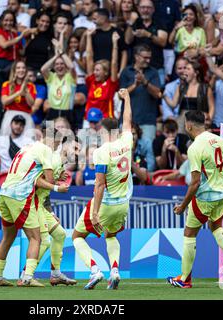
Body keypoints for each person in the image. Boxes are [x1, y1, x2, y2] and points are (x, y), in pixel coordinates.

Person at [168, 110, 223, 289]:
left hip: (206, 197)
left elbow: (194, 183)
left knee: (189, 233)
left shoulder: (194, 147)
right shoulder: (220, 140)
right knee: (216, 227)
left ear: (189, 125)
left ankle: (184, 279)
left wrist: (182, 207)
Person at [72, 88, 133, 290]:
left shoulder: (101, 151)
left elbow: (99, 184)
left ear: (103, 131)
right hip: (123, 203)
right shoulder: (127, 141)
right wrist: (127, 99)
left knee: (77, 236)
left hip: (106, 203)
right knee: (111, 235)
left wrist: (96, 212)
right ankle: (114, 271)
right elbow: (128, 120)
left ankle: (95, 271)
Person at [0, 128, 68, 287]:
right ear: (52, 140)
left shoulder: (27, 147)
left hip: (4, 193)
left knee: (7, 238)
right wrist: (57, 184)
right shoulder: (46, 150)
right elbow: (47, 180)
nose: (57, 147)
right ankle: (27, 277)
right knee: (36, 238)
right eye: (58, 143)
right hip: (20, 195)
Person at [120, 44, 162, 146]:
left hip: (147, 121)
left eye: (149, 58)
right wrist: (135, 85)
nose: (148, 60)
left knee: (148, 152)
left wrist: (145, 82)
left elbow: (158, 94)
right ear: (136, 57)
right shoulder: (126, 72)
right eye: (145, 57)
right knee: (124, 152)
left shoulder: (154, 72)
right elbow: (120, 95)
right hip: (127, 121)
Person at [163, 60, 215, 132]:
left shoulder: (205, 88)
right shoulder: (181, 87)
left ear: (196, 73)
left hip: (197, 120)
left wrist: (208, 120)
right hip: (182, 120)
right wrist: (164, 96)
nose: (184, 71)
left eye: (188, 69)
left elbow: (211, 107)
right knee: (182, 141)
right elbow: (173, 104)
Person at [125, 0, 168, 86]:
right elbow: (127, 40)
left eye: (148, 8)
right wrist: (130, 24)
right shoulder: (135, 22)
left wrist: (147, 34)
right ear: (138, 9)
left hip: (156, 67)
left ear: (153, 9)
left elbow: (163, 42)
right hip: (137, 68)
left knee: (158, 94)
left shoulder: (159, 22)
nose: (145, 10)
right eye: (143, 7)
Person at [84, 29, 120, 124]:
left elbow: (114, 63)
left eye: (98, 70)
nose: (94, 72)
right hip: (89, 119)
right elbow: (89, 57)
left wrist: (115, 43)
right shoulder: (91, 81)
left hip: (106, 120)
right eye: (94, 70)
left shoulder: (111, 84)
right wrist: (88, 37)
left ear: (106, 72)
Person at [0, 10, 31, 84]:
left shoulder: (14, 35)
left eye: (11, 20)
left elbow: (21, 52)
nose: (8, 23)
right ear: (1, 21)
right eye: (6, 20)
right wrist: (21, 36)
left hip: (11, 65)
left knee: (9, 89)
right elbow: (4, 45)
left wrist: (28, 41)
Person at [0, 60, 36, 137]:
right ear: (14, 70)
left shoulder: (31, 86)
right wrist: (19, 92)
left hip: (26, 116)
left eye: (23, 68)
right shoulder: (7, 84)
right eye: (18, 68)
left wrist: (25, 90)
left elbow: (31, 103)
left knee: (27, 145)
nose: (21, 70)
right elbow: (4, 102)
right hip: (10, 116)